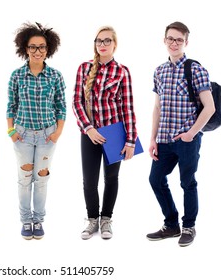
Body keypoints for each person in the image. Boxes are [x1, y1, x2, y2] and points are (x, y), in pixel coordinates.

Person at [146, 21, 215, 247]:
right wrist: (152, 139)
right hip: (164, 140)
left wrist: (191, 133)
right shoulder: (159, 70)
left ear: (186, 42)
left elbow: (209, 107)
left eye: (178, 39)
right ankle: (171, 224)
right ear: (164, 40)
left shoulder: (196, 69)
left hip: (187, 140)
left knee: (188, 183)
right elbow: (157, 108)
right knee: (155, 179)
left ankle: (189, 227)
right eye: (170, 38)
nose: (174, 43)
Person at [72, 26, 138, 240]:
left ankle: (106, 219)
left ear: (114, 44)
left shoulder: (122, 71)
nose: (102, 44)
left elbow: (128, 108)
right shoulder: (83, 68)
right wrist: (88, 128)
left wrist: (130, 140)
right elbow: (76, 102)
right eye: (99, 41)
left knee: (111, 178)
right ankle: (92, 219)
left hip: (114, 132)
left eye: (107, 41)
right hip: (89, 133)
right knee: (89, 181)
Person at [6, 22, 66, 240]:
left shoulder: (55, 76)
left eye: (41, 47)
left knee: (41, 179)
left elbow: (61, 105)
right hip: (22, 135)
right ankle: (25, 221)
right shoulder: (16, 76)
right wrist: (10, 131)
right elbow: (11, 105)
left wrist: (58, 131)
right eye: (33, 47)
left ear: (48, 49)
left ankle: (38, 219)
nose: (37, 51)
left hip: (47, 135)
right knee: (24, 179)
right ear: (25, 49)